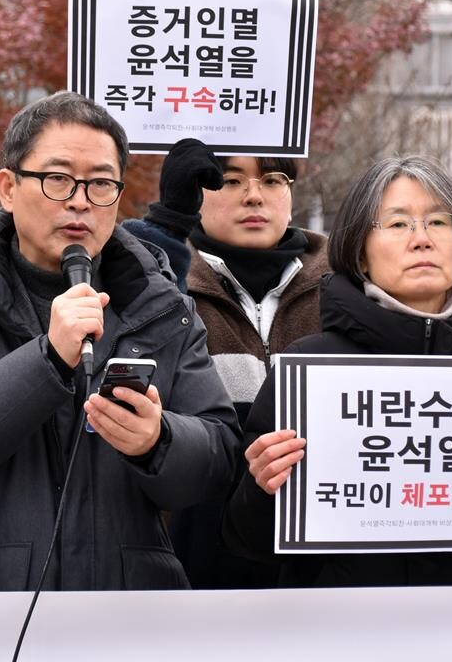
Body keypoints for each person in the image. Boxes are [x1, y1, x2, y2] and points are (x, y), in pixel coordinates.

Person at [0, 91, 240, 592]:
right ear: (8, 188)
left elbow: (219, 458)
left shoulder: (161, 308)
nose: (79, 200)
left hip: (128, 604)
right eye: (57, 179)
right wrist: (47, 359)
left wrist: (157, 442)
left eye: (100, 184)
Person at [223, 155, 452, 587]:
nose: (422, 239)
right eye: (399, 223)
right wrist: (261, 488)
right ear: (359, 252)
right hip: (338, 636)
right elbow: (248, 543)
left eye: (440, 222)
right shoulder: (309, 374)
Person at [124, 139, 328, 588]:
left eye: (273, 180)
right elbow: (127, 333)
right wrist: (166, 225)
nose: (254, 195)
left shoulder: (344, 289)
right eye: (231, 180)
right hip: (185, 573)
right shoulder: (166, 286)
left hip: (317, 576)